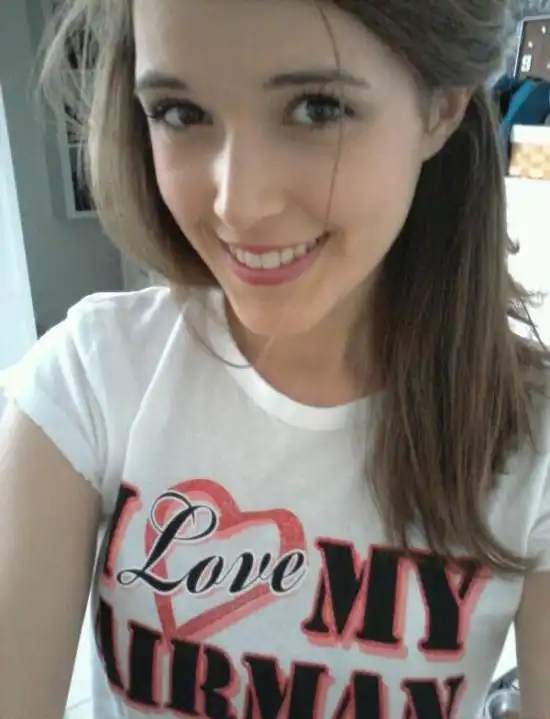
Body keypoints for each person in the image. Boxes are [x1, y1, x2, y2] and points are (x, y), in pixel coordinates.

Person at [1, 0, 550, 717]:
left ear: (441, 107)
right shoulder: (92, 379)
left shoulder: (533, 440)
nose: (238, 204)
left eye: (317, 108)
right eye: (180, 112)